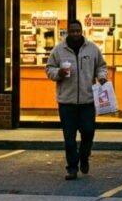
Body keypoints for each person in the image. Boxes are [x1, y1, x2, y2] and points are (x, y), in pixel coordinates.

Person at [46, 21, 107, 180]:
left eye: (77, 31)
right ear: (67, 32)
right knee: (69, 138)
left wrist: (101, 77)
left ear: (82, 31)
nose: (75, 34)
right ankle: (72, 168)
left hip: (87, 101)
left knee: (88, 132)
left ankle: (84, 157)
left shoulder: (92, 49)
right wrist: (58, 72)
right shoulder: (59, 50)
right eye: (72, 31)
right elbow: (49, 68)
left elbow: (101, 65)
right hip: (66, 102)